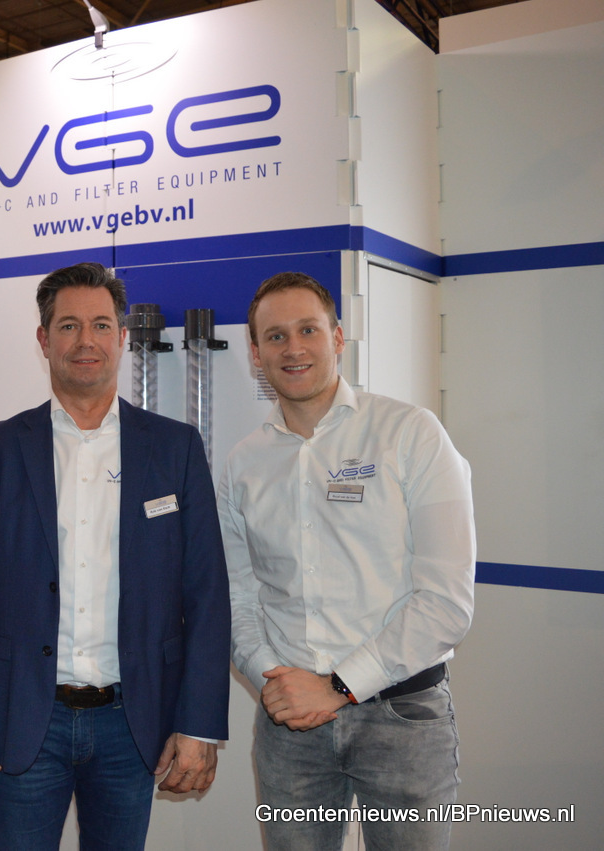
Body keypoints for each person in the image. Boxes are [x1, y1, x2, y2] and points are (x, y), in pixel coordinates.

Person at [0, 262, 230, 850]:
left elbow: (206, 595)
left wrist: (199, 723)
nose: (85, 340)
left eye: (101, 325)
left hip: (133, 720)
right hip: (25, 719)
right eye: (68, 325)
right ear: (44, 340)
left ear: (122, 338)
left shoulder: (175, 448)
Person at [219, 271, 475, 850]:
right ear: (256, 354)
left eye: (308, 330)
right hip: (290, 730)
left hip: (403, 718)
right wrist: (272, 678)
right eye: (275, 336)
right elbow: (238, 595)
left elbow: (446, 603)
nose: (294, 348)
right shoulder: (242, 464)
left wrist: (337, 687)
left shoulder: (411, 434)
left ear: (337, 337)